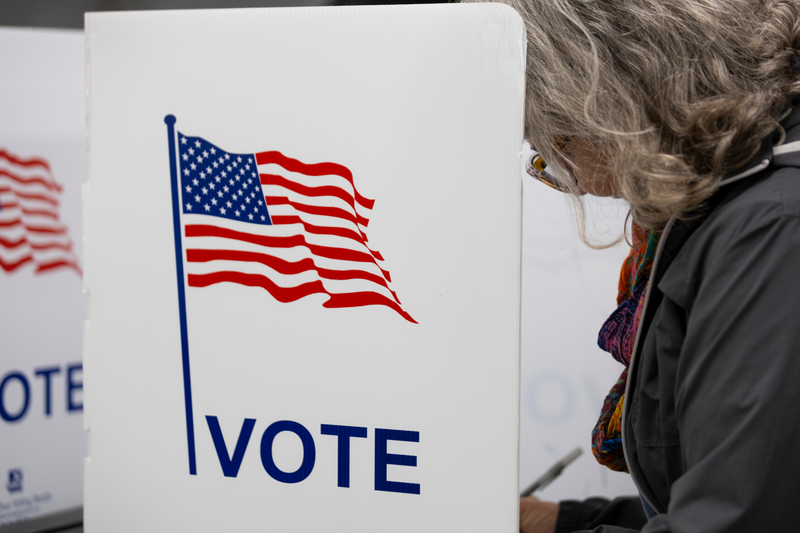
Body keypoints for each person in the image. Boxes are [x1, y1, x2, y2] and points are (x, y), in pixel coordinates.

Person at [467, 0, 800, 531]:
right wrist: (560, 521)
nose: (559, 168)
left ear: (606, 98)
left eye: (551, 138)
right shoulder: (733, 205)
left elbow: (737, 517)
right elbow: (730, 492)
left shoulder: (770, 229)